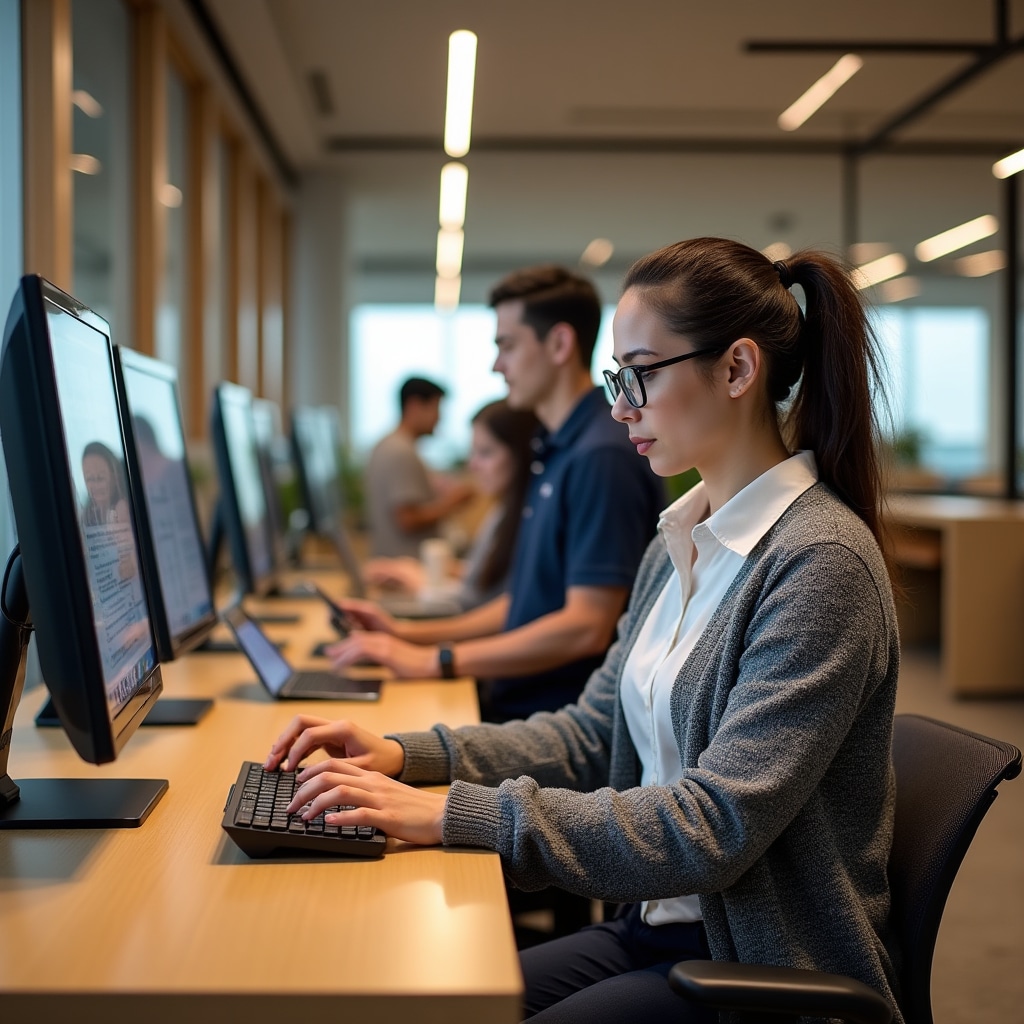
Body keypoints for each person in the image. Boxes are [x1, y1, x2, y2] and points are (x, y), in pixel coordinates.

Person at [265, 237, 902, 1023]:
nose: (619, 406)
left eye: (638, 374)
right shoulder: (678, 544)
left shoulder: (819, 564)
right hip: (659, 925)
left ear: (737, 370)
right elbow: (591, 733)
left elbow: (716, 823)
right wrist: (406, 755)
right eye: (614, 378)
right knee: (426, 1003)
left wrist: (449, 814)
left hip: (757, 961)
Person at [329, 265, 665, 724]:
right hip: (515, 702)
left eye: (506, 346)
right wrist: (411, 636)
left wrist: (437, 661)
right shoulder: (556, 448)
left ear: (560, 345)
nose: (496, 365)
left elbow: (586, 626)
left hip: (549, 721)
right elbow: (528, 600)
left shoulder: (599, 455)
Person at [364, 399, 540, 611]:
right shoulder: (505, 512)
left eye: (485, 453)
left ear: (521, 454)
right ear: (415, 406)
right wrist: (421, 572)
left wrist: (419, 580)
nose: (473, 465)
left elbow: (479, 599)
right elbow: (485, 582)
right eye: (436, 409)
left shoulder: (524, 516)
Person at [364, 376, 475, 559]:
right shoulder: (400, 451)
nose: (439, 417)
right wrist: (453, 502)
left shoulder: (389, 445)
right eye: (436, 408)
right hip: (407, 564)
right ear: (414, 405)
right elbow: (407, 519)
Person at [81, 440, 131, 527]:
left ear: (115, 477)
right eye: (89, 478)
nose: (95, 485)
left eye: (100, 477)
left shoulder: (124, 509)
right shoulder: (86, 517)